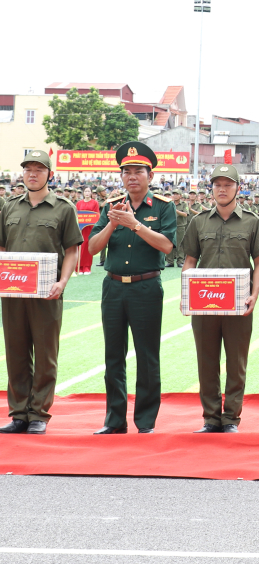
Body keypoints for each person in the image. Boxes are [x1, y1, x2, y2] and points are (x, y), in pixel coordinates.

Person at [88, 142, 177, 434]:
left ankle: (146, 421)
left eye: (138, 171)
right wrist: (114, 223)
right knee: (113, 356)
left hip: (146, 287)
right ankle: (114, 421)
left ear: (150, 176)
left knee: (147, 355)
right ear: (121, 177)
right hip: (113, 288)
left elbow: (167, 246)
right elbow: (92, 247)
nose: (132, 177)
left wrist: (135, 224)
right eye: (126, 172)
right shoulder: (110, 206)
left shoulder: (164, 206)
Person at [181, 164, 259, 433]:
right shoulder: (199, 222)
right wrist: (187, 294)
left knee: (236, 362)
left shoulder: (252, 221)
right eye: (217, 184)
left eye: (228, 184)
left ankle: (231, 418)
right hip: (205, 302)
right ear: (212, 189)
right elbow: (189, 261)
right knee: (206, 362)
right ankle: (210, 418)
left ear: (238, 188)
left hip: (239, 304)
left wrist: (255, 295)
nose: (222, 189)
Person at [0, 151, 82, 435]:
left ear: (50, 174)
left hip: (47, 292)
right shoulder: (9, 207)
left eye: (39, 169)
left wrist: (63, 282)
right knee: (16, 352)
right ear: (22, 174)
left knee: (46, 353)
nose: (32, 174)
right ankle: (19, 413)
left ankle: (39, 414)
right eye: (28, 169)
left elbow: (73, 249)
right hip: (13, 292)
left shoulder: (63, 208)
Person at [76, 186, 100, 275]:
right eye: (85, 191)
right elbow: (76, 214)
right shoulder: (79, 203)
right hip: (80, 229)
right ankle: (79, 266)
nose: (87, 193)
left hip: (90, 228)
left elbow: (97, 215)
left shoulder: (95, 203)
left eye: (88, 191)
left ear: (91, 193)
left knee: (88, 247)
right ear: (83, 193)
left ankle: (87, 267)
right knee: (80, 247)